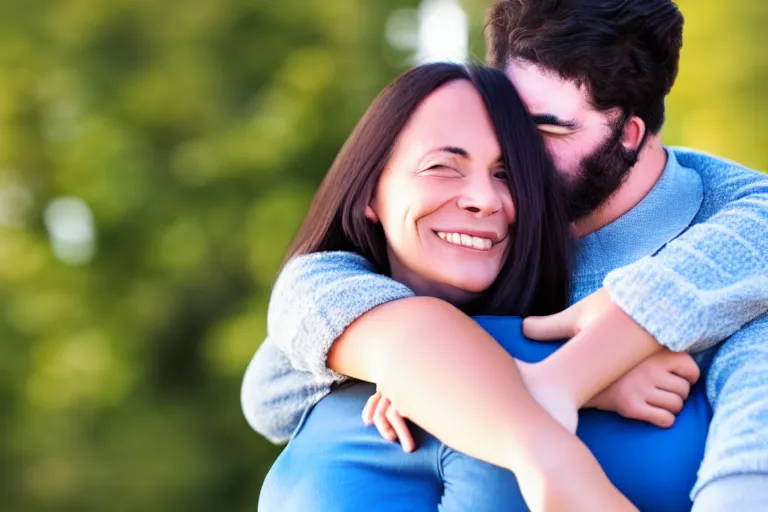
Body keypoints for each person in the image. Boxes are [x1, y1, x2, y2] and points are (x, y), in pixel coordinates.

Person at [246, 0, 768, 509]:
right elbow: (272, 387)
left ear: (629, 136)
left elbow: (748, 475)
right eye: (504, 125)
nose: (515, 158)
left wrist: (569, 360)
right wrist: (504, 370)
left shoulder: (735, 248)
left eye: (543, 131)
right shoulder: (478, 234)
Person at [255, 61, 641, 511]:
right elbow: (266, 392)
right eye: (442, 167)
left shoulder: (592, 290)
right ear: (369, 195)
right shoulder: (320, 283)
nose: (484, 198)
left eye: (506, 174)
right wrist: (570, 373)